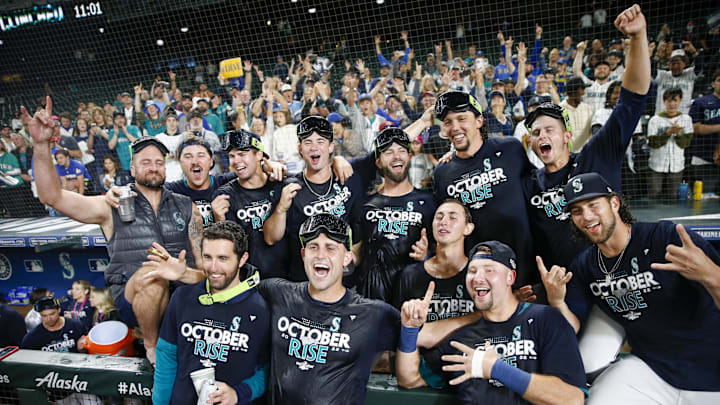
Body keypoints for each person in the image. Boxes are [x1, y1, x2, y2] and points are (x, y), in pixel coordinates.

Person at [24, 96, 206, 364]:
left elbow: (204, 268)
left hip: (182, 297)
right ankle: (152, 346)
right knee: (151, 275)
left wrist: (184, 273)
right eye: (145, 162)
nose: (153, 167)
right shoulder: (111, 204)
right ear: (132, 169)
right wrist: (41, 145)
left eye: (158, 162)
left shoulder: (186, 206)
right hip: (136, 299)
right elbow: (52, 196)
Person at [553, 172, 720, 403]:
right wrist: (557, 301)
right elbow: (570, 328)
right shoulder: (585, 266)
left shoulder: (665, 237)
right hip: (652, 369)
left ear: (614, 203)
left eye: (593, 205)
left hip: (711, 370)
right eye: (577, 211)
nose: (587, 216)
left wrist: (711, 275)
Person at [524, 3, 650, 272]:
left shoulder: (596, 156)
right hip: (563, 289)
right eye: (535, 133)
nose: (542, 135)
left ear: (567, 136)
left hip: (618, 276)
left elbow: (632, 100)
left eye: (549, 130)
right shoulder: (530, 185)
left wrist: (638, 37)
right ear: (531, 143)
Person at [396, 240, 586, 405]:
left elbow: (572, 399)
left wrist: (495, 369)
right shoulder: (462, 338)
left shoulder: (545, 320)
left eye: (489, 270)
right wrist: (410, 330)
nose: (478, 278)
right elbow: (410, 379)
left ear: (510, 278)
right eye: (472, 271)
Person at [258, 214, 400, 404]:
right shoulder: (276, 293)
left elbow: (419, 336)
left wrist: (413, 326)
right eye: (313, 247)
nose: (320, 255)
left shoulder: (372, 314)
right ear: (303, 255)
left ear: (347, 258)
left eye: (330, 248)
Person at [409, 90, 538, 287]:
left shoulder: (510, 149)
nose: (455, 127)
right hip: (480, 282)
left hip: (528, 273)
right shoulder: (443, 172)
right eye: (448, 122)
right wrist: (423, 122)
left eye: (462, 119)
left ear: (479, 121)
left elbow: (536, 189)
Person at [153, 221, 270, 405]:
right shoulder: (182, 297)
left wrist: (238, 394)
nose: (213, 267)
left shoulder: (261, 310)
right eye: (207, 257)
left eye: (223, 258)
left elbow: (268, 371)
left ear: (242, 259)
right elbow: (166, 355)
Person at [263, 115, 376, 281]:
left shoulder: (348, 174)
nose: (314, 147)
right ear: (300, 149)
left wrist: (424, 121)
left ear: (331, 147)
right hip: (306, 284)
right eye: (308, 142)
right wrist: (281, 209)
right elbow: (270, 238)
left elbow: (388, 149)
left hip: (346, 282)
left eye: (320, 141)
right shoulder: (290, 188)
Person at [350, 127, 434, 301]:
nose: (396, 156)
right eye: (389, 152)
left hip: (413, 301)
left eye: (402, 151)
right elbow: (355, 256)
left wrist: (427, 255)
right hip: (371, 302)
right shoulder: (364, 205)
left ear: (409, 157)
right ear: (378, 162)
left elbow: (442, 254)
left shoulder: (428, 203)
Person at [212, 129, 289, 279]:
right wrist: (219, 220)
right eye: (232, 156)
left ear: (259, 154)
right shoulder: (224, 197)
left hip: (288, 278)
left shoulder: (280, 183)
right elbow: (229, 249)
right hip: (249, 281)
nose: (235, 161)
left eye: (242, 154)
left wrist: (338, 160)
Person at [647, 87, 693, 198]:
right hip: (656, 164)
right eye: (669, 101)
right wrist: (668, 133)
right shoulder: (655, 120)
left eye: (675, 100)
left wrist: (678, 134)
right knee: (654, 194)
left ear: (680, 101)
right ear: (664, 101)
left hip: (677, 165)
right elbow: (653, 143)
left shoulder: (686, 119)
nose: (672, 104)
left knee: (673, 196)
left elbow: (686, 144)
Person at [688, 69, 720, 194]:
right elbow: (695, 127)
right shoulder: (700, 102)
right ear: (713, 84)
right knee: (703, 195)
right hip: (703, 155)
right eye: (719, 80)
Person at [21, 297, 87, 352]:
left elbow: (87, 352)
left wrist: (82, 349)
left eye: (52, 314)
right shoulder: (32, 337)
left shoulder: (76, 326)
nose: (49, 319)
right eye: (44, 316)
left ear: (59, 310)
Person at [560, 77, 594, 153]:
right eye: (581, 89)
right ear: (573, 92)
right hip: (566, 154)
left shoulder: (587, 108)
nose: (584, 93)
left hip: (585, 153)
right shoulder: (560, 110)